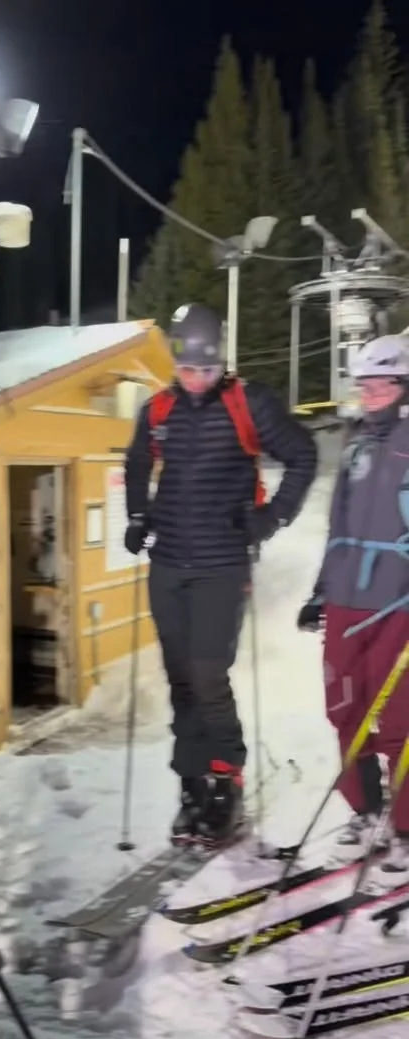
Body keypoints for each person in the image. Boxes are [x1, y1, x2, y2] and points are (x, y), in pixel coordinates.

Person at [124, 302, 318, 847]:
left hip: (221, 565)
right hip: (168, 565)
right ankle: (191, 785)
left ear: (222, 363)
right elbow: (136, 461)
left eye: (207, 370)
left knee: (208, 674)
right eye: (187, 370)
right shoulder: (159, 409)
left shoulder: (248, 403)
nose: (196, 380)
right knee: (181, 679)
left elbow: (303, 455)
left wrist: (271, 518)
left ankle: (226, 782)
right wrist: (138, 516)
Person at [298, 333, 409, 878]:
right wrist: (321, 590)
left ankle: (406, 828)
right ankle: (365, 814)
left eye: (383, 385)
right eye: (365, 385)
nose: (371, 395)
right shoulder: (355, 444)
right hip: (345, 600)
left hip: (398, 600)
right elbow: (337, 525)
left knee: (400, 719)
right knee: (346, 710)